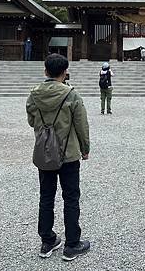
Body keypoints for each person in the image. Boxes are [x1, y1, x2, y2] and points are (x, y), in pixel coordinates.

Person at [26, 54, 91, 261]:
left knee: (46, 196)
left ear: (45, 71)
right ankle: (72, 244)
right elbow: (81, 125)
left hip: (45, 153)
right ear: (65, 72)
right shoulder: (71, 95)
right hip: (69, 154)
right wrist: (85, 148)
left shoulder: (34, 95)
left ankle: (47, 241)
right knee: (71, 197)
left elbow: (31, 121)